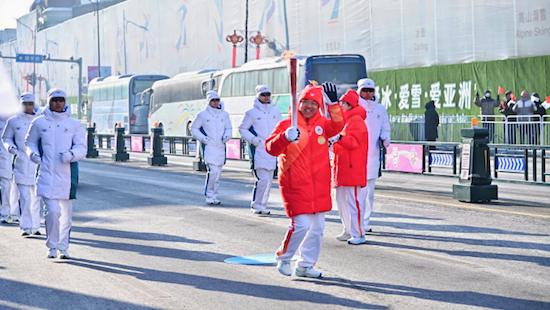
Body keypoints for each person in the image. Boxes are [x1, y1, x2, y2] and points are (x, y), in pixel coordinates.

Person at [266, 82, 344, 278]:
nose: (309, 106)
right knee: (301, 225)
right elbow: (271, 148)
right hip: (295, 185)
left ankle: (305, 265)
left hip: (319, 186)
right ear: (298, 103)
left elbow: (338, 125)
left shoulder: (323, 125)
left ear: (319, 107)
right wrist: (284, 137)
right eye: (305, 102)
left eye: (314, 103)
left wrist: (334, 104)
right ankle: (284, 256)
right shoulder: (286, 125)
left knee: (317, 229)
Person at [25, 88, 86, 259]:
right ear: (49, 101)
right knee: (52, 212)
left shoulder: (74, 124)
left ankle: (63, 247)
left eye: (61, 99)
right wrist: (33, 154)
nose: (58, 103)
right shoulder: (39, 123)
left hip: (67, 176)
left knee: (66, 215)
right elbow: (30, 142)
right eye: (55, 99)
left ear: (65, 102)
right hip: (46, 174)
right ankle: (51, 246)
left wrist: (72, 155)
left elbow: (82, 148)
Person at [330, 90, 368, 245]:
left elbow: (353, 142)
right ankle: (348, 229)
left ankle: (359, 233)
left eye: (344, 103)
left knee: (354, 202)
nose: (341, 105)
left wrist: (338, 138)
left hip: (352, 167)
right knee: (341, 201)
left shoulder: (356, 121)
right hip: (342, 166)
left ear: (351, 105)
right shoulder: (346, 121)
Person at [2, 93, 42, 235]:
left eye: (30, 103)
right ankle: (25, 226)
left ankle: (36, 226)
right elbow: (6, 137)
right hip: (20, 164)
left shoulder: (40, 120)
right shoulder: (13, 121)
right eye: (25, 103)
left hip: (37, 165)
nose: (28, 106)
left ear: (34, 104)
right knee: (24, 197)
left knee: (36, 198)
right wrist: (10, 148)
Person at [238, 85, 282, 214]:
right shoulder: (251, 113)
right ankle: (256, 205)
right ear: (258, 96)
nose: (266, 97)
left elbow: (281, 128)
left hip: (272, 151)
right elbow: (242, 129)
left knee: (269, 182)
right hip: (258, 151)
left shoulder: (276, 112)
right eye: (263, 94)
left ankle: (263, 205)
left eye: (268, 94)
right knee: (262, 180)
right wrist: (254, 140)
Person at [356, 78, 390, 234]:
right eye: (364, 90)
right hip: (356, 155)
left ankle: (365, 221)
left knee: (369, 192)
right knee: (358, 192)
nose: (367, 93)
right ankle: (356, 222)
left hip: (373, 155)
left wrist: (385, 138)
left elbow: (385, 128)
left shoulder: (380, 109)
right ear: (359, 91)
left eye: (370, 91)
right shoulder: (354, 107)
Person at [191, 91, 232, 205]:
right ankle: (208, 195)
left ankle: (215, 195)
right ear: (208, 102)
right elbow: (194, 128)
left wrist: (227, 136)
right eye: (213, 100)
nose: (215, 102)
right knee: (213, 171)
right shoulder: (203, 115)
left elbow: (229, 128)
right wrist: (203, 139)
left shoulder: (225, 114)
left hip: (220, 146)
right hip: (209, 147)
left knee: (218, 173)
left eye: (217, 100)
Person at [0, 115, 20, 224]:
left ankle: (14, 212)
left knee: (14, 186)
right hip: (3, 158)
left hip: (14, 158)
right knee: (6, 187)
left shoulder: (16, 119)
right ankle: (4, 213)